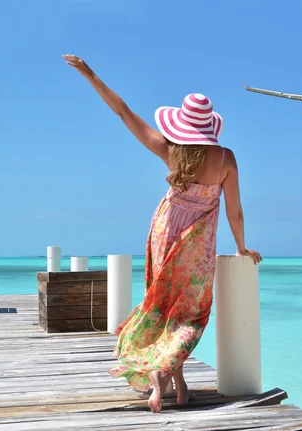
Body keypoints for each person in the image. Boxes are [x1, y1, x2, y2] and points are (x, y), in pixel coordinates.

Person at [62, 54, 262, 413]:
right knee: (189, 312)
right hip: (198, 246)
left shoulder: (170, 151)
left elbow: (123, 112)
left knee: (160, 305)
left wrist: (90, 74)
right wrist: (242, 247)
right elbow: (235, 211)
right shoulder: (226, 160)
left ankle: (175, 387)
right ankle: (163, 386)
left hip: (164, 231)